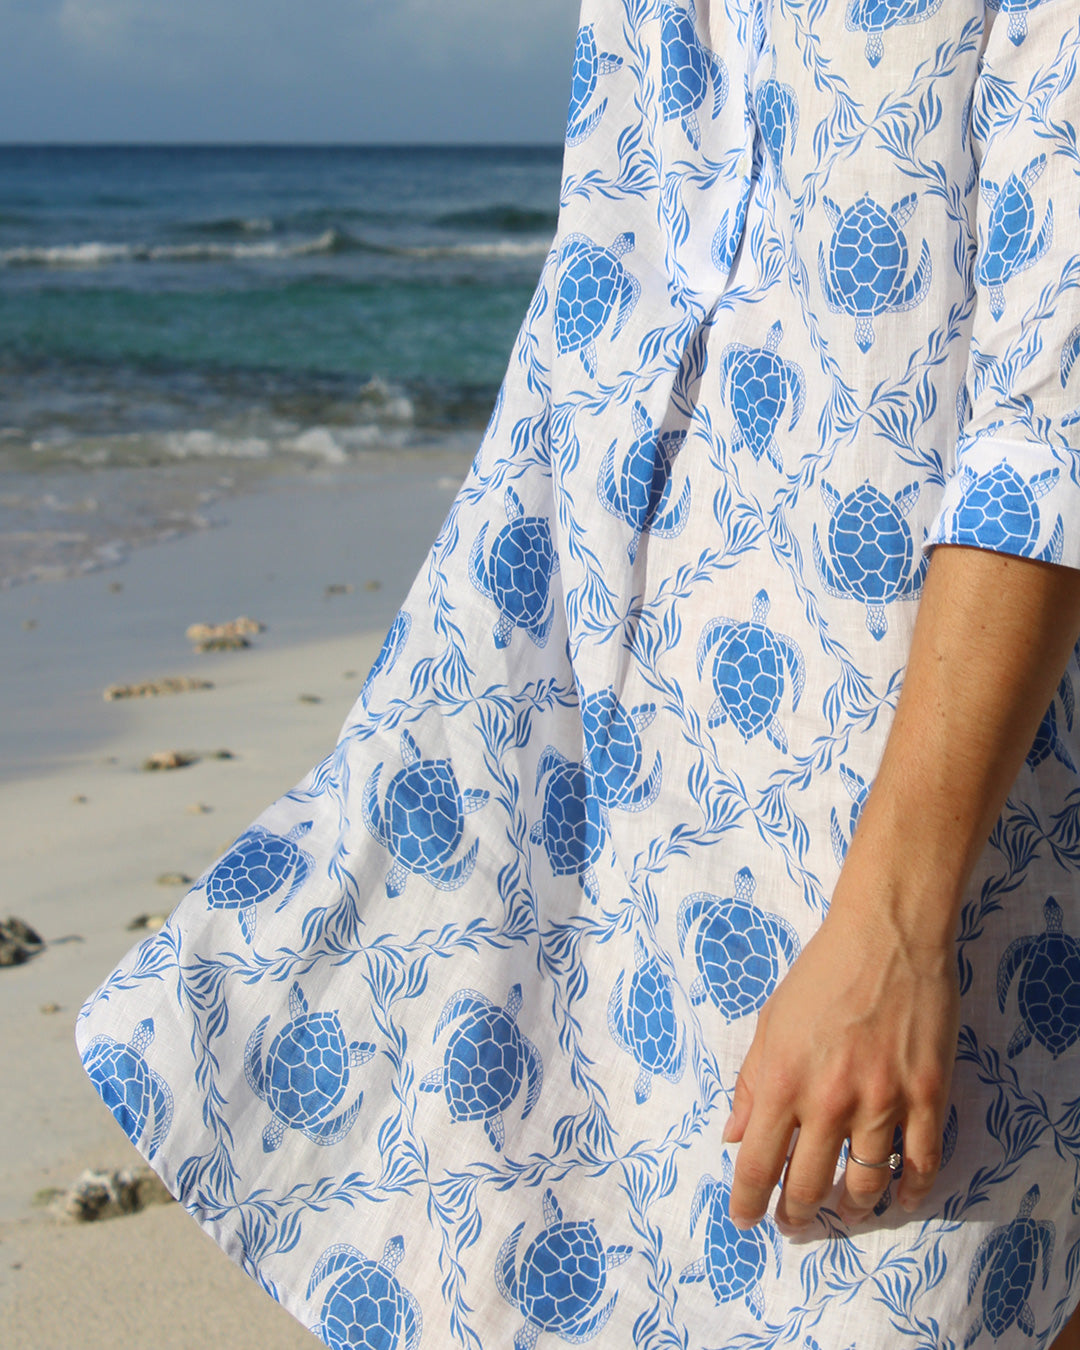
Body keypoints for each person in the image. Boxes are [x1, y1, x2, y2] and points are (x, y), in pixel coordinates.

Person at [79, 0, 1080, 1345]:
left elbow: (1053, 426)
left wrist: (895, 923)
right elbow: (598, 322)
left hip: (940, 820)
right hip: (628, 803)